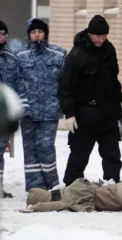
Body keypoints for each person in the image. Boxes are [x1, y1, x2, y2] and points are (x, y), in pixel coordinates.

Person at [58, 15, 122, 186]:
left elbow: (113, 81)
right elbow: (66, 86)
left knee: (112, 155)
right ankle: (72, 187)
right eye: (97, 36)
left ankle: (113, 186)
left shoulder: (109, 50)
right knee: (79, 155)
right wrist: (69, 113)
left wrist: (118, 104)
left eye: (104, 36)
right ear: (89, 34)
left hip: (108, 113)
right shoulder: (77, 54)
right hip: (84, 114)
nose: (101, 40)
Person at [16, 18, 67, 192]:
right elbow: (17, 82)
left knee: (45, 147)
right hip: (27, 111)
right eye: (33, 32)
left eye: (40, 31)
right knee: (30, 150)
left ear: (46, 33)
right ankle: (35, 188)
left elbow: (65, 82)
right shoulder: (20, 56)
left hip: (49, 111)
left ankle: (52, 184)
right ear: (28, 35)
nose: (37, 35)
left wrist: (63, 105)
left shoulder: (59, 54)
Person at [0, 21, 31, 197]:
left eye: (4, 34)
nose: (2, 37)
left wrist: (21, 109)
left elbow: (19, 85)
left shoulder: (11, 59)